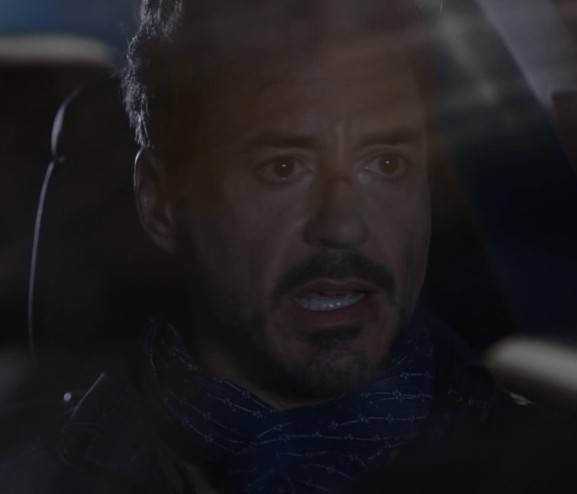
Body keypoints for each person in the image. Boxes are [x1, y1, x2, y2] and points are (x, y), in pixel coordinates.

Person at [0, 0, 538, 492]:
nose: (343, 226)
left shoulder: (556, 462)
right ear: (161, 205)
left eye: (386, 163)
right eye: (282, 168)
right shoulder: (35, 477)